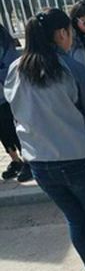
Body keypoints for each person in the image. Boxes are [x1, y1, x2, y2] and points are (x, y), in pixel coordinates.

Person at [3, 8, 85, 271]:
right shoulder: (70, 68)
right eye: (68, 31)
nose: (70, 37)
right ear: (61, 34)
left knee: (76, 218)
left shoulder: (15, 70)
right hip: (79, 159)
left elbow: (15, 112)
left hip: (41, 164)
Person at [0, 24, 32, 182]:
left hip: (7, 92)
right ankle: (15, 160)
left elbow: (11, 63)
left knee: (15, 126)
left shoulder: (2, 37)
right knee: (3, 130)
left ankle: (28, 161)